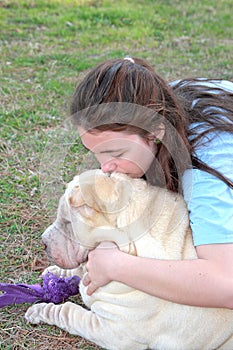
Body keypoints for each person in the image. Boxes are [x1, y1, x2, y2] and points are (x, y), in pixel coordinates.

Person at [70, 57, 233, 308]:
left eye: (116, 154)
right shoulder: (156, 103)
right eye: (95, 152)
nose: (104, 168)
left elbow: (226, 285)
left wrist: (117, 266)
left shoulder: (204, 175)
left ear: (155, 133)